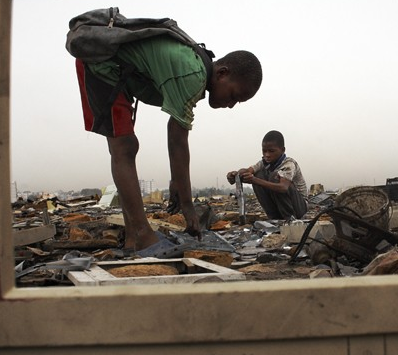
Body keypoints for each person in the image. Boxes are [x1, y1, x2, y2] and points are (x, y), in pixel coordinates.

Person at [76, 34, 262, 256]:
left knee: (126, 146)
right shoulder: (193, 74)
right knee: (124, 147)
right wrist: (187, 206)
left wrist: (176, 181)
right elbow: (177, 141)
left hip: (117, 73)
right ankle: (143, 236)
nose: (231, 105)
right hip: (103, 67)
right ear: (222, 73)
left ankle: (133, 238)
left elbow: (176, 140)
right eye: (234, 96)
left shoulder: (195, 68)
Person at [227, 130, 308, 220]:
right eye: (264, 151)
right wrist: (236, 175)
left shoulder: (288, 164)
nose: (267, 155)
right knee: (259, 174)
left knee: (274, 177)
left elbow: (283, 187)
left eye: (271, 151)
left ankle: (289, 218)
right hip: (281, 205)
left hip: (300, 207)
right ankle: (274, 218)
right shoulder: (264, 162)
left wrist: (254, 180)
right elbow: (248, 171)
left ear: (282, 150)